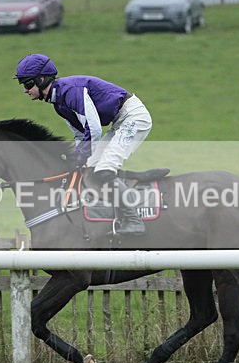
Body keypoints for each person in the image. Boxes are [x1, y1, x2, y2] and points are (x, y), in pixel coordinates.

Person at [14, 54, 152, 236]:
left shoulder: (70, 91)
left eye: (27, 84)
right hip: (119, 122)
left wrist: (81, 156)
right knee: (93, 168)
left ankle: (134, 221)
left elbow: (93, 129)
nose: (25, 90)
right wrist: (78, 158)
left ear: (41, 79)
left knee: (103, 170)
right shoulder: (58, 103)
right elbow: (80, 133)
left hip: (134, 118)